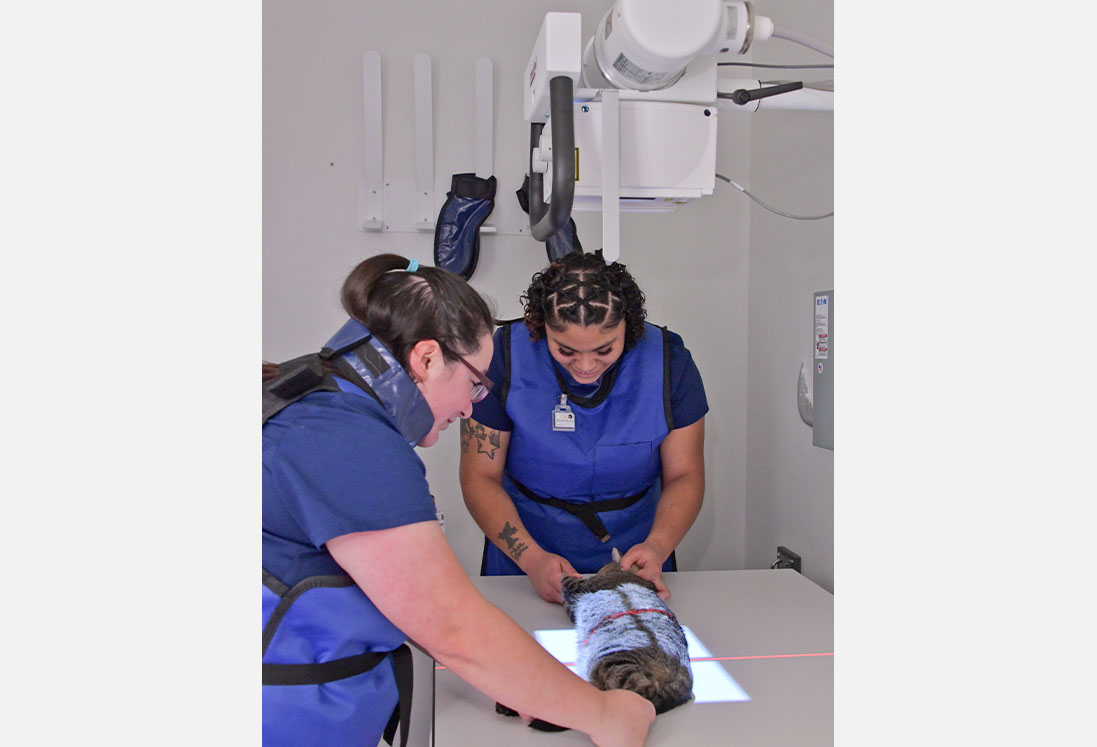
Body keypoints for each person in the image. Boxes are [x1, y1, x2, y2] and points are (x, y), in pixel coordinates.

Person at [262, 253, 654, 747]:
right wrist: (604, 714)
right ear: (426, 359)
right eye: (473, 382)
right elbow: (453, 628)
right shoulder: (349, 443)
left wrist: (538, 690)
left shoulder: (309, 396)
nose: (470, 405)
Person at [459, 251, 708, 605]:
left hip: (636, 549)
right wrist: (531, 559)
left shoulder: (670, 364)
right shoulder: (504, 357)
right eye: (566, 350)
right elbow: (479, 476)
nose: (586, 367)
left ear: (630, 327)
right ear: (539, 326)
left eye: (605, 349)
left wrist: (656, 546)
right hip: (525, 550)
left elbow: (685, 474)